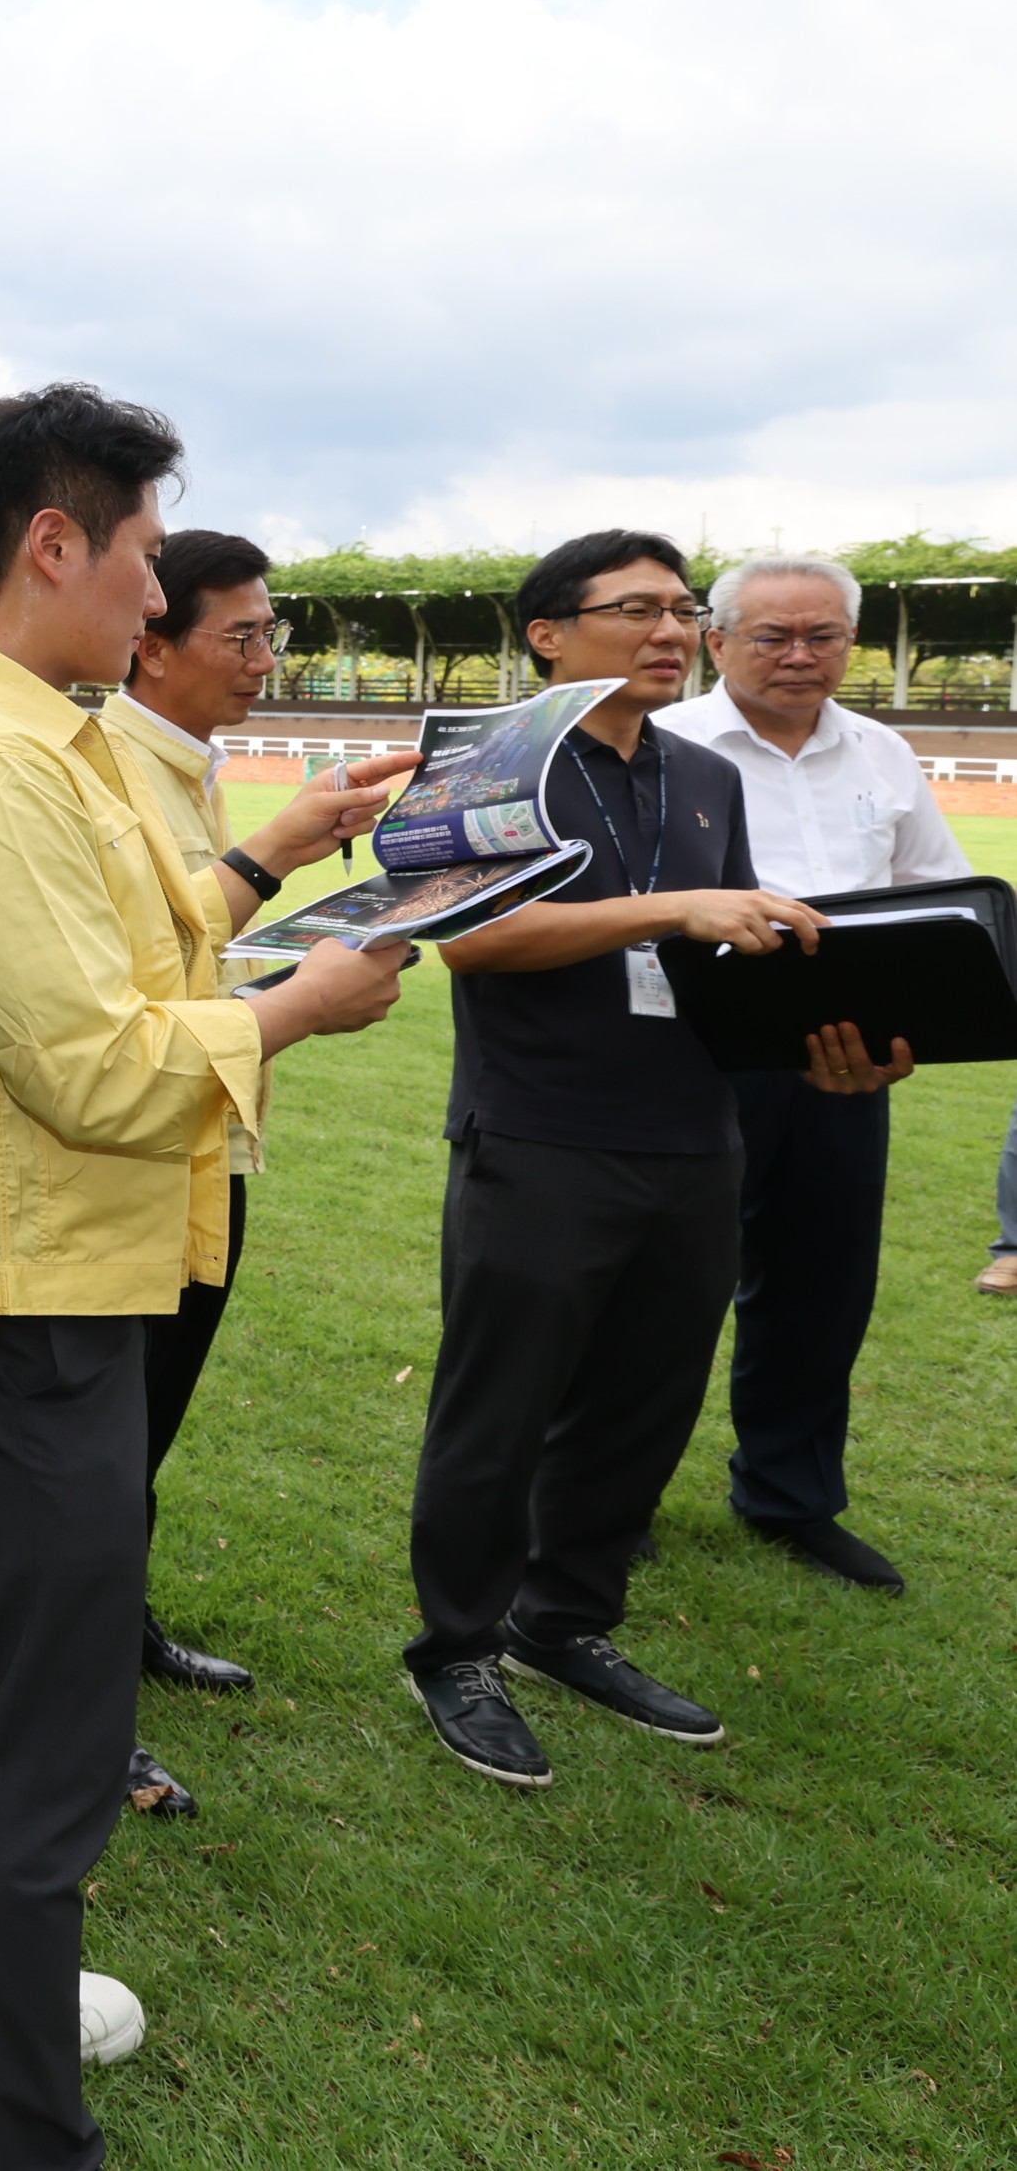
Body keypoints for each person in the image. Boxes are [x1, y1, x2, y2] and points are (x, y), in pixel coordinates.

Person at [0, 384, 409, 2171]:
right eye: (151, 562)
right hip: (21, 1289)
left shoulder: (35, 725)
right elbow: (90, 1063)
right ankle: (19, 2122)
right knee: (41, 1738)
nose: (161, 605)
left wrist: (270, 876)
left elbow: (137, 943)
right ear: (53, 545)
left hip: (17, 1270)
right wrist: (298, 1008)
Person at [407, 532, 910, 1792]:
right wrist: (667, 908)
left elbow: (722, 963)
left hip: (695, 1136)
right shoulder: (480, 756)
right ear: (546, 632)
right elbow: (471, 936)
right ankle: (456, 1649)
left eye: (679, 609)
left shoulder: (697, 774)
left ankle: (562, 1618)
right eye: (633, 609)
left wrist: (823, 1049)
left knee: (644, 1402)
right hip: (539, 1134)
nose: (668, 630)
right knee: (500, 1408)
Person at [95, 527, 364, 1818]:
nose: (265, 658)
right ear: (149, 644)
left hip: (209, 1134)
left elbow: (195, 945)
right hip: (142, 1148)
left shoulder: (185, 769)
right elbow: (128, 987)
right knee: (96, 1454)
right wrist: (296, 975)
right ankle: (86, 1719)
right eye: (239, 636)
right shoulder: (103, 770)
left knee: (136, 1442)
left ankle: (118, 1635)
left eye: (272, 634)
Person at [652, 552, 961, 1591]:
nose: (798, 656)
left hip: (843, 1065)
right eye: (772, 636)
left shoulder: (881, 752)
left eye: (821, 636)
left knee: (822, 1283)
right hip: (690, 1056)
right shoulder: (661, 745)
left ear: (849, 643)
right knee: (657, 1288)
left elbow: (935, 895)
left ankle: (789, 1495)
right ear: (716, 642)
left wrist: (908, 1027)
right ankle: (610, 1492)